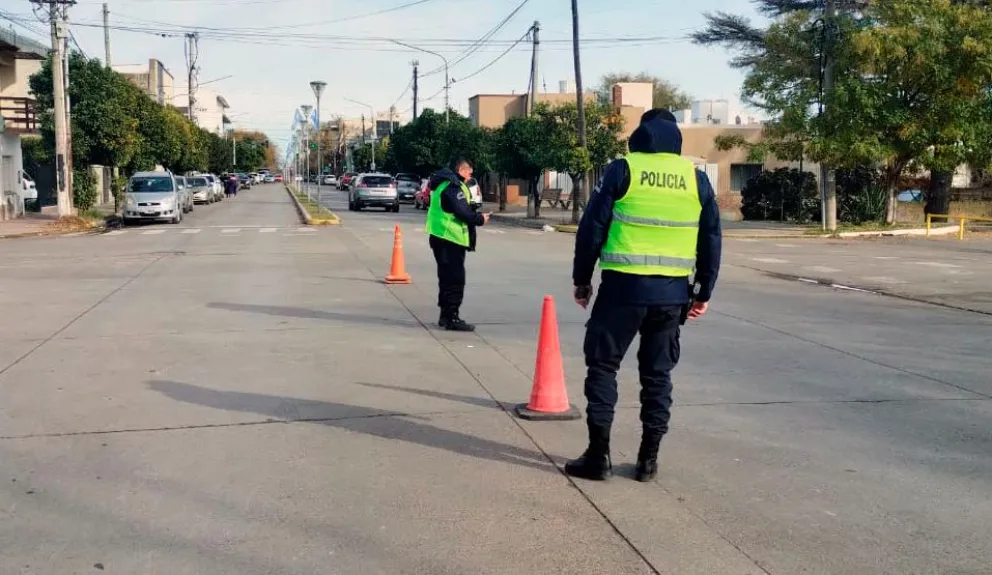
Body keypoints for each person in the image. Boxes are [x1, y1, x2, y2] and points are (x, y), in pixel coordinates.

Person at [566, 109, 722, 482]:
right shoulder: (696, 179)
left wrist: (582, 279)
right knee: (657, 376)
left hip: (622, 290)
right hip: (671, 295)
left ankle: (598, 457)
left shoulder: (623, 170)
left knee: (603, 367)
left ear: (640, 134)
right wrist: (702, 291)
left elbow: (592, 228)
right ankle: (647, 461)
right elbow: (711, 238)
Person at [425, 159, 491, 331]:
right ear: (461, 170)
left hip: (441, 237)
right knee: (455, 279)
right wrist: (480, 219)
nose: (471, 173)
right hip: (449, 239)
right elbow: (462, 212)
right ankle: (452, 317)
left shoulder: (443, 184)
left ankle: (445, 316)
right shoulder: (453, 186)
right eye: (469, 170)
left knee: (446, 278)